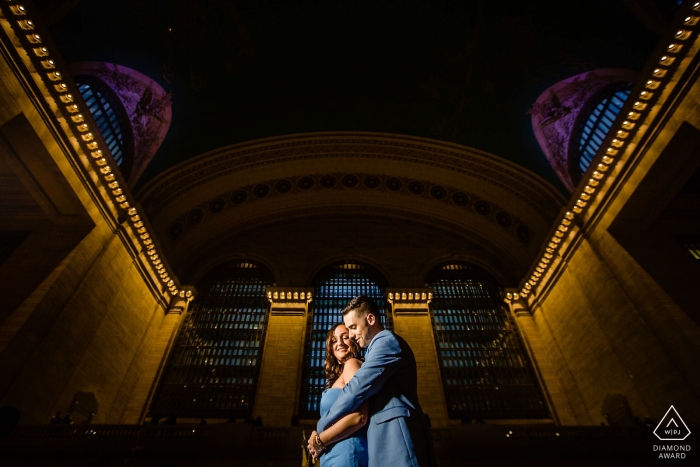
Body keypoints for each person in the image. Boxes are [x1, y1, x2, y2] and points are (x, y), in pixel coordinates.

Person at [316, 296, 436, 467]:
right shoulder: (371, 352)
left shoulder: (386, 341)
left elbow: (356, 389)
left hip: (398, 436)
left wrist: (321, 426)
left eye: (352, 327)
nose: (351, 335)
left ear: (370, 319)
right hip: (380, 441)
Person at [308, 323, 369, 467]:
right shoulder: (338, 376)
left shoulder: (352, 364)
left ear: (354, 340)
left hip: (346, 452)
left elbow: (359, 417)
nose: (339, 343)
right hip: (331, 454)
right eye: (334, 340)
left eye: (345, 337)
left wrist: (319, 440)